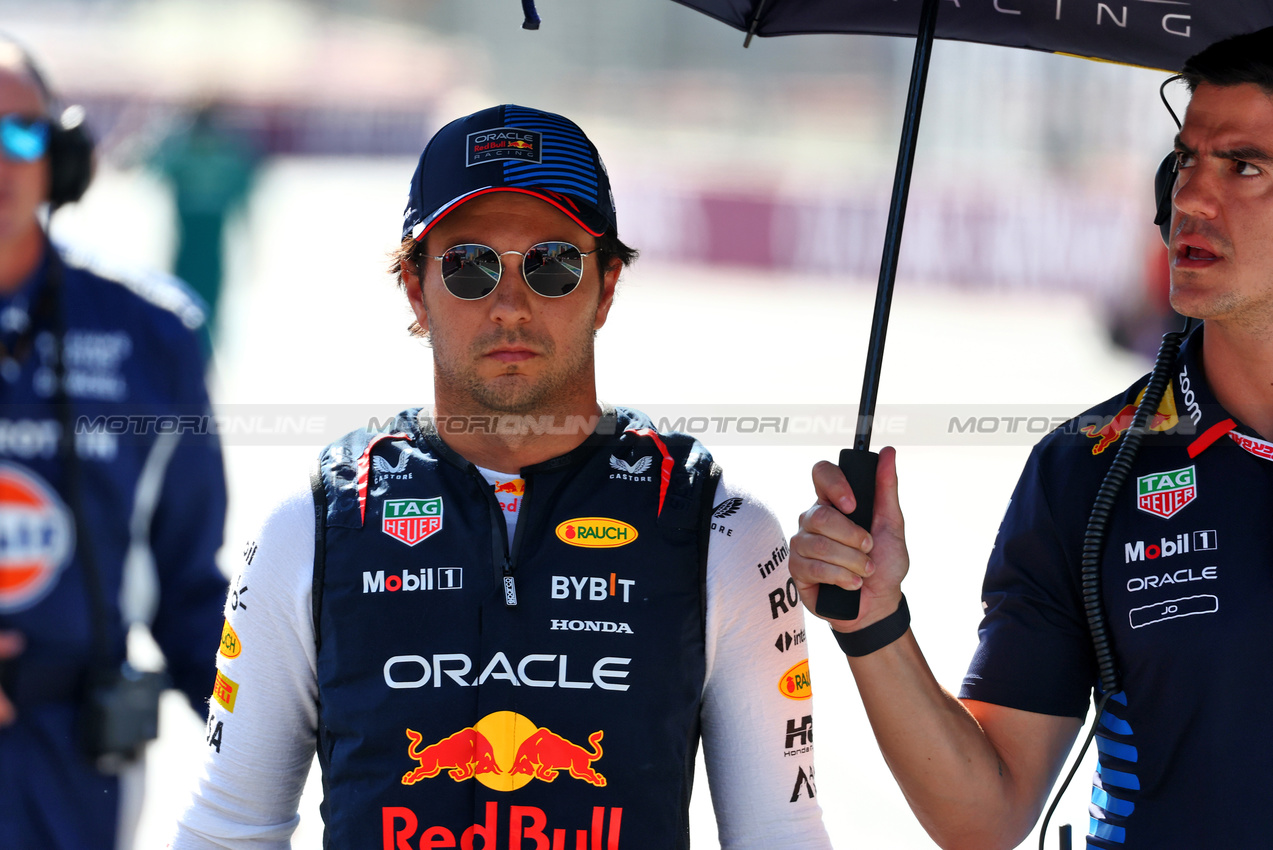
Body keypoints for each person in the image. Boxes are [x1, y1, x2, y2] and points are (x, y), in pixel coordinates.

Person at [173, 104, 830, 849]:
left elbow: (781, 837)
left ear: (606, 286)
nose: (510, 305)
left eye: (552, 264)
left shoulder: (722, 531)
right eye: (468, 265)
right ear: (417, 288)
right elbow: (229, 831)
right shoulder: (313, 527)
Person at [787, 26, 1273, 850]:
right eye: (1184, 161)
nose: (1190, 198)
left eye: (1244, 167)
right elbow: (986, 817)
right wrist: (873, 625)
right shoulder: (1086, 470)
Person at [0, 39, 228, 850]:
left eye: (19, 134)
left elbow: (192, 590)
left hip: (74, 754)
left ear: (59, 157)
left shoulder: (149, 336)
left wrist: (303, 746)